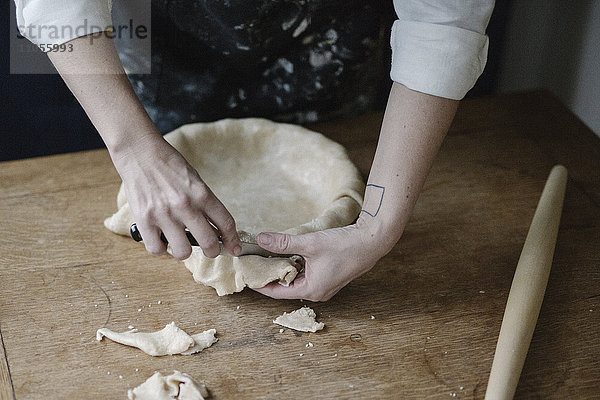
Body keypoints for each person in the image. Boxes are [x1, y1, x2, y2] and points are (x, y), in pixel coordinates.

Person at [14, 0, 495, 301]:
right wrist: (133, 148)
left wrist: (379, 225)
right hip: (157, 54)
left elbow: (445, 21)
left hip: (334, 63)